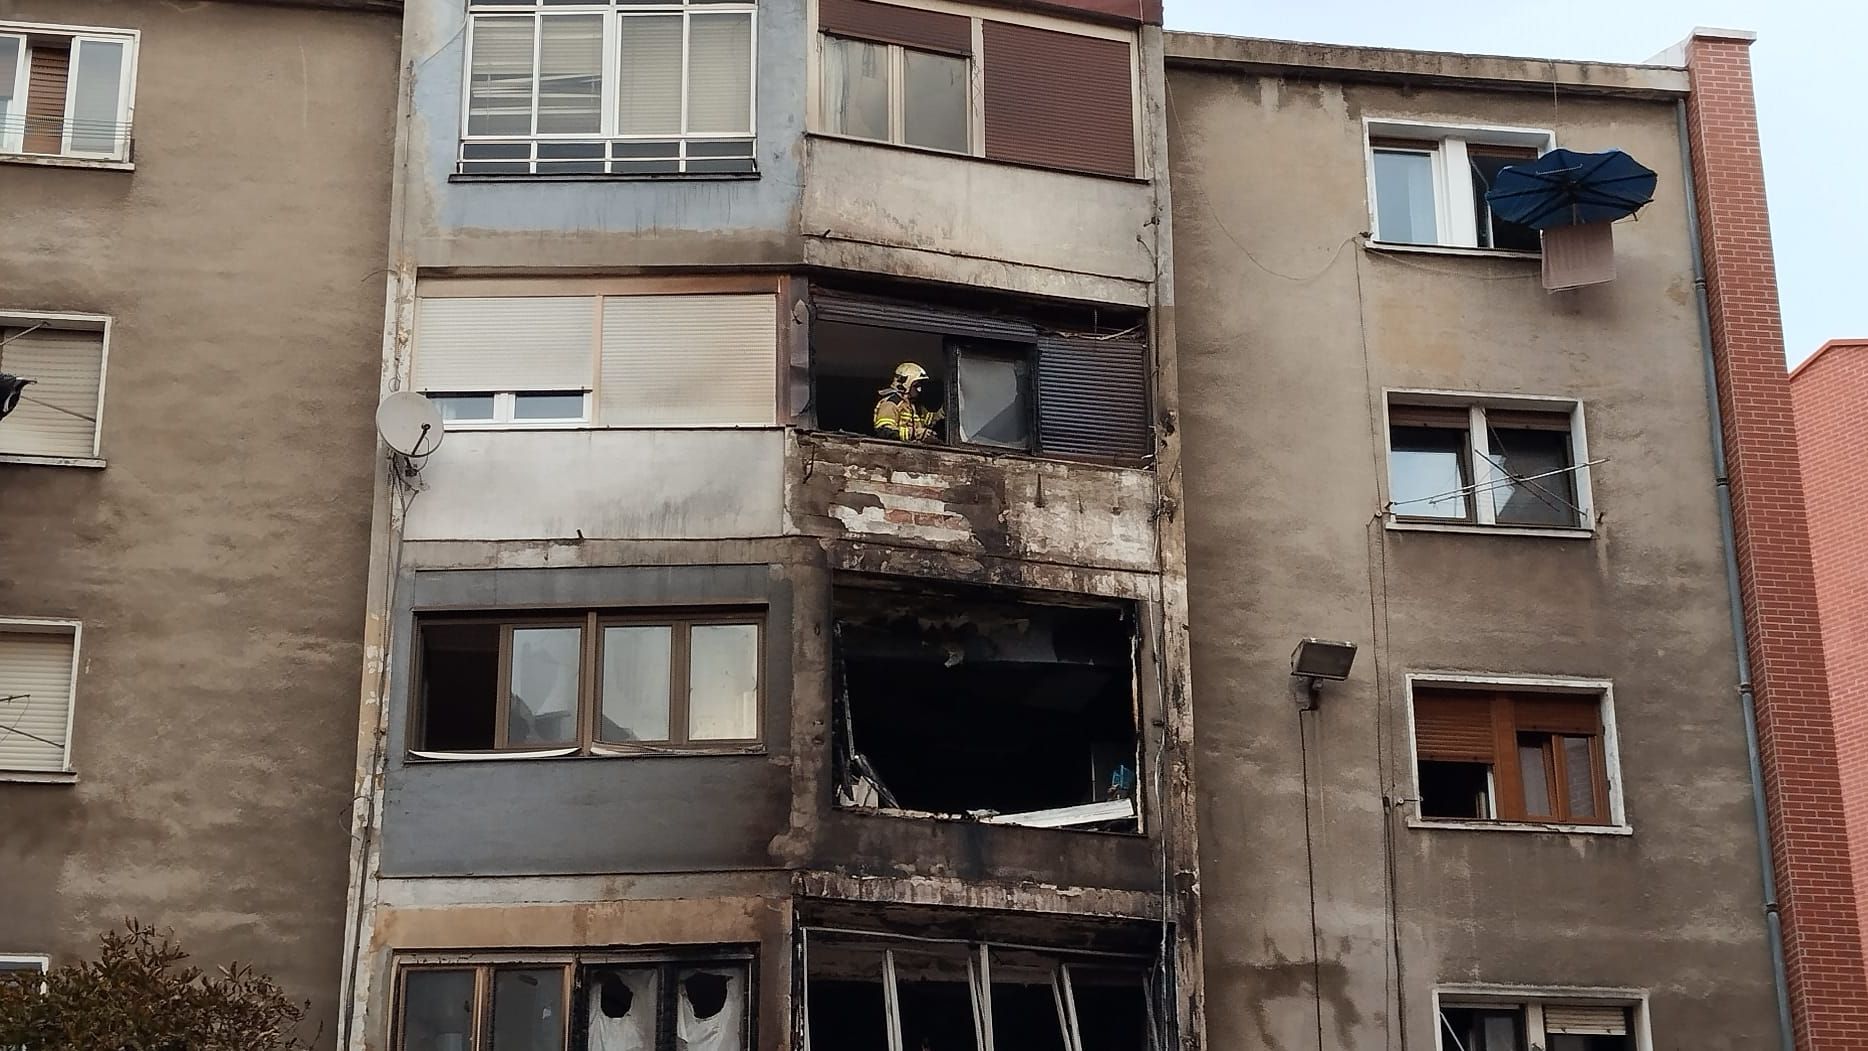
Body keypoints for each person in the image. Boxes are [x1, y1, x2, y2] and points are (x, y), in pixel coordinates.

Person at [873, 361, 943, 443]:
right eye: (916, 386)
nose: (919, 390)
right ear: (906, 384)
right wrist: (915, 433)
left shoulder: (914, 406)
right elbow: (884, 432)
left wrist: (943, 412)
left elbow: (929, 421)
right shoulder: (891, 404)